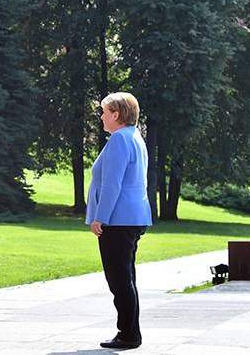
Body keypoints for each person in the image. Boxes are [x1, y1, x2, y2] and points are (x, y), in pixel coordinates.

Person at [85, 92, 153, 350]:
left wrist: (99, 217)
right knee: (126, 278)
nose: (101, 116)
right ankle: (129, 332)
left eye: (104, 112)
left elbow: (112, 183)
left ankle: (128, 334)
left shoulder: (119, 140)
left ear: (116, 114)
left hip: (118, 220)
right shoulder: (134, 137)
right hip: (132, 218)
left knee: (119, 279)